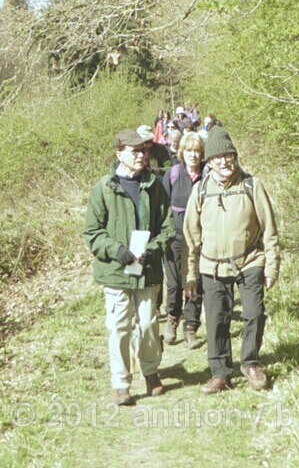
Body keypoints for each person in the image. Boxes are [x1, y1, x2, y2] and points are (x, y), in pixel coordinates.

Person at [183, 126, 280, 394]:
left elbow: (270, 230)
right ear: (210, 162)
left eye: (229, 156)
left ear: (235, 157)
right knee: (216, 320)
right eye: (217, 158)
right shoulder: (200, 191)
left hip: (250, 261)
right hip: (211, 265)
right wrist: (189, 276)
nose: (224, 162)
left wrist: (271, 265)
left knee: (254, 314)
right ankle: (220, 373)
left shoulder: (252, 185)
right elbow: (190, 237)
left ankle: (250, 363)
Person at [83, 129, 175, 406]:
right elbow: (92, 232)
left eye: (144, 151)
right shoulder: (104, 188)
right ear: (118, 153)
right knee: (119, 327)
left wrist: (153, 250)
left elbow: (168, 227)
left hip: (147, 270)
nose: (141, 155)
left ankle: (150, 372)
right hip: (115, 271)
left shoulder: (154, 185)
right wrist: (117, 251)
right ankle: (121, 383)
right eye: (134, 151)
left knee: (148, 324)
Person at [162, 132, 206, 349]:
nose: (193, 156)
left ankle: (191, 327)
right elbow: (161, 207)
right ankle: (172, 318)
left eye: (197, 151)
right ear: (182, 153)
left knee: (195, 283)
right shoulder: (173, 174)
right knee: (174, 283)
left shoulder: (208, 175)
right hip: (175, 238)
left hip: (201, 239)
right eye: (189, 151)